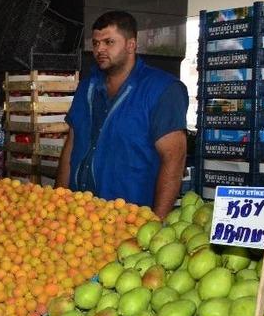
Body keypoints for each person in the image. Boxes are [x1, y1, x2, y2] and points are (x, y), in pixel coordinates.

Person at [56, 11, 188, 218]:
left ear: (131, 45)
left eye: (109, 42)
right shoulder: (87, 86)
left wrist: (157, 222)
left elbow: (174, 159)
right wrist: (58, 202)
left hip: (130, 219)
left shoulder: (162, 90)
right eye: (96, 43)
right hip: (79, 216)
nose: (100, 49)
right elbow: (72, 144)